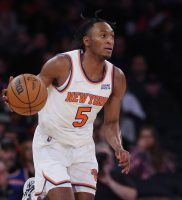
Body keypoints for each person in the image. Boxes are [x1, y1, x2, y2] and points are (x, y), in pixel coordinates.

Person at [3, 10, 130, 200]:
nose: (110, 41)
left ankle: (35, 194)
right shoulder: (62, 64)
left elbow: (111, 123)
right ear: (87, 41)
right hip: (52, 142)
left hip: (83, 146)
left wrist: (119, 147)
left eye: (112, 36)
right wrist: (15, 100)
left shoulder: (117, 77)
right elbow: (33, 93)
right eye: (103, 36)